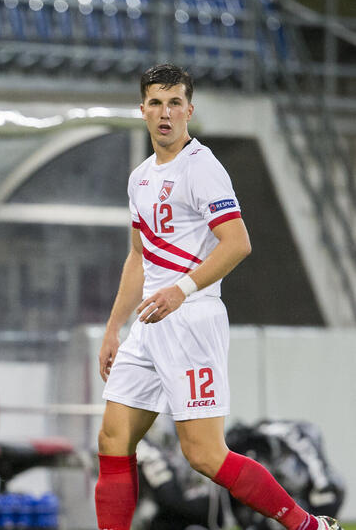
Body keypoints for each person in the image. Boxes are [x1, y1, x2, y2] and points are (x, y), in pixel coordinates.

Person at [94, 64, 340, 530]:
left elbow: (237, 243)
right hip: (148, 325)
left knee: (204, 455)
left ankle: (309, 526)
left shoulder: (202, 168)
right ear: (142, 109)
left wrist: (182, 291)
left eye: (174, 103)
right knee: (112, 440)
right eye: (155, 103)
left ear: (189, 109)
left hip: (191, 320)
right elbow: (137, 259)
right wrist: (113, 329)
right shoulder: (140, 177)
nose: (165, 113)